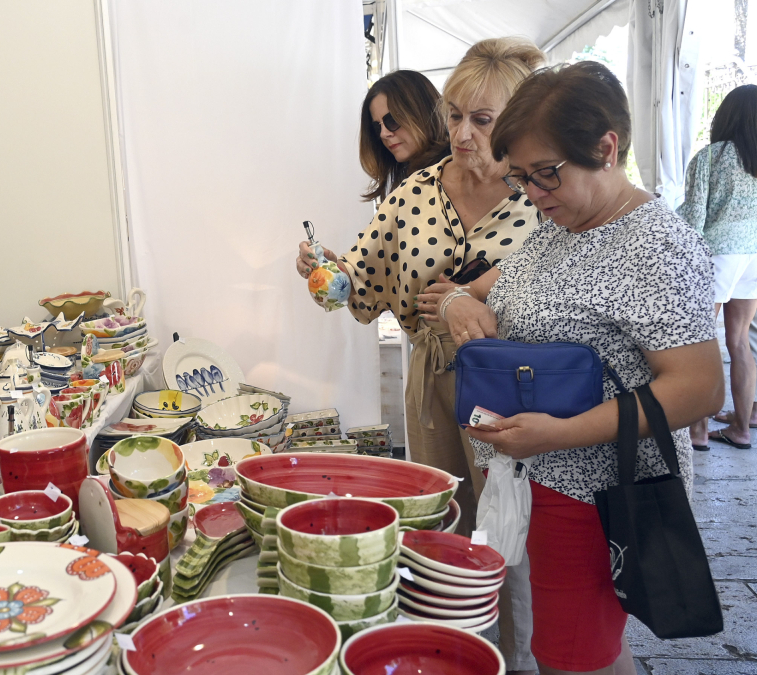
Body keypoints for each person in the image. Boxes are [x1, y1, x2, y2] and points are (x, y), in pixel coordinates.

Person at [420, 61, 724, 675]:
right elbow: (499, 290)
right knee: (579, 644)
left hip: (593, 491)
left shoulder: (657, 247)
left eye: (545, 173)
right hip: (534, 476)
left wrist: (557, 434)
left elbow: (697, 389)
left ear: (607, 147)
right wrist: (456, 301)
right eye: (521, 178)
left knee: (573, 653)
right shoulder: (559, 224)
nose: (533, 192)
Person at [296, 38, 545, 675]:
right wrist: (323, 271)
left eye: (481, 120)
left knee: (518, 535)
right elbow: (357, 281)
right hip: (433, 382)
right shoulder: (413, 196)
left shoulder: (540, 195)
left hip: (517, 387)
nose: (462, 133)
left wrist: (477, 292)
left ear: (517, 121)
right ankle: (448, 655)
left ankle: (518, 659)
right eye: (455, 114)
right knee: (444, 528)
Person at [679, 84, 757, 449]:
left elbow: (693, 218)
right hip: (754, 256)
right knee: (739, 342)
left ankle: (698, 432)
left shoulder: (711, 157)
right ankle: (741, 428)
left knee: (699, 341)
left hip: (718, 254)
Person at [359, 69, 450, 202]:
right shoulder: (412, 183)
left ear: (422, 113)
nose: (384, 134)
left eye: (393, 120)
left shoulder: (455, 176)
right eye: (377, 127)